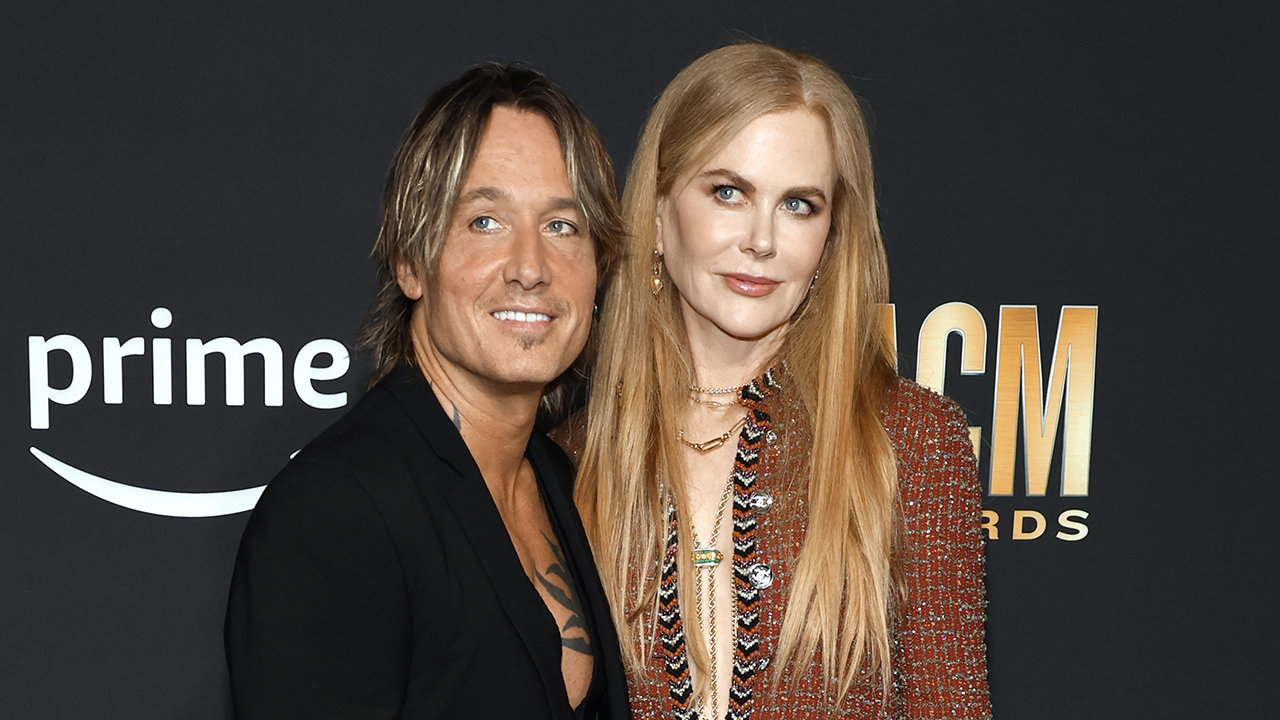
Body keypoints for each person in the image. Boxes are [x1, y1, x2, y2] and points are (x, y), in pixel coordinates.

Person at [559, 44, 991, 719]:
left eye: (798, 204)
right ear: (658, 210)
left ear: (830, 237)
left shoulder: (912, 442)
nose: (761, 239)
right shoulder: (568, 464)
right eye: (728, 192)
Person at [225, 63, 630, 720]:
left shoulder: (563, 482)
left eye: (563, 226)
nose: (531, 267)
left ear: (597, 268)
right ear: (411, 262)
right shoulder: (336, 512)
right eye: (485, 221)